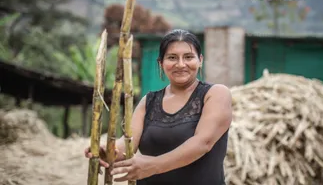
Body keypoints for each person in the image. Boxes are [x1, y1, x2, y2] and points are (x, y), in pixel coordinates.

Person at [85, 29, 233, 184]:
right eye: (172, 58)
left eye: (188, 57)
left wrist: (152, 166)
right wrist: (106, 152)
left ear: (200, 60)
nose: (181, 64)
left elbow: (203, 143)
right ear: (161, 63)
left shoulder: (216, 94)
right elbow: (128, 143)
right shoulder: (149, 101)